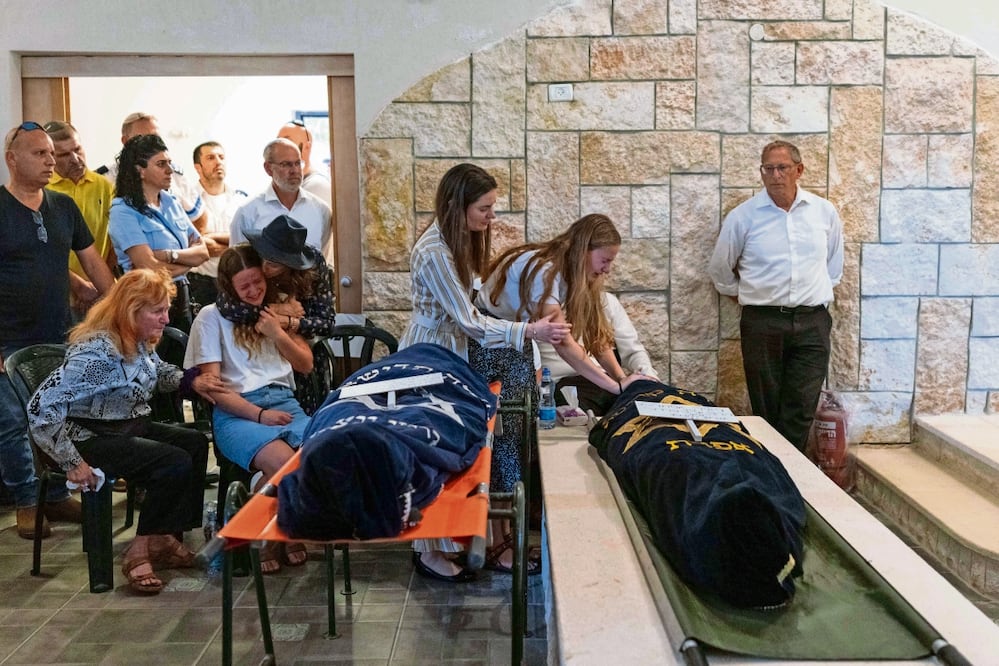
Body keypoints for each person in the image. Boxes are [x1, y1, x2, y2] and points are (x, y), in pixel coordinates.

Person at [399, 162, 570, 582]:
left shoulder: (456, 242)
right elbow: (469, 321)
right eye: (484, 208)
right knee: (433, 448)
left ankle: (463, 539)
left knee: (457, 448)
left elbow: (474, 307)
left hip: (453, 349)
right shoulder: (435, 252)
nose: (491, 217)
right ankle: (428, 551)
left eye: (492, 207)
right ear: (456, 205)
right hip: (433, 351)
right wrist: (529, 330)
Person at [26, 269, 225, 594]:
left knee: (194, 444)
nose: (166, 319)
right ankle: (140, 550)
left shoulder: (137, 339)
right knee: (171, 461)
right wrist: (71, 462)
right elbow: (41, 407)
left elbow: (156, 371)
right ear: (132, 310)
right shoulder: (97, 354)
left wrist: (192, 381)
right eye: (157, 311)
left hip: (126, 426)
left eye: (166, 310)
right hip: (86, 439)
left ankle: (163, 538)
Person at [475, 213, 651, 573]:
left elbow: (598, 338)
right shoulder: (546, 272)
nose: (607, 269)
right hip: (490, 345)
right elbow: (565, 344)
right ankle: (497, 544)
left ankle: (509, 540)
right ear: (585, 250)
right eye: (605, 260)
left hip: (516, 345)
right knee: (505, 440)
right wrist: (614, 386)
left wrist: (623, 381)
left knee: (516, 441)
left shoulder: (577, 276)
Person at [1, 121, 115, 540]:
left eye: (52, 152)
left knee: (59, 417)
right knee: (13, 423)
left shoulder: (63, 207)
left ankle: (55, 495)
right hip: (8, 338)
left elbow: (93, 263)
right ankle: (27, 502)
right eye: (40, 153)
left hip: (59, 332)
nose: (51, 160)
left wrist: (121, 311)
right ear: (12, 160)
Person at [707, 139, 844, 452]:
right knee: (766, 407)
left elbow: (833, 269)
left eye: (782, 168)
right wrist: (748, 295)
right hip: (763, 322)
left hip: (812, 321)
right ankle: (777, 467)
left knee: (802, 406)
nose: (775, 175)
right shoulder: (744, 216)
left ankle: (788, 469)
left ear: (799, 170)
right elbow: (720, 270)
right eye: (768, 169)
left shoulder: (823, 212)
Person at [185, 244, 313, 573]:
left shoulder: (277, 310)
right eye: (245, 286)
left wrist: (277, 332)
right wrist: (259, 415)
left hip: (284, 402)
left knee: (318, 458)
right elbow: (214, 390)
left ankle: (260, 521)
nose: (254, 291)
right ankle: (274, 535)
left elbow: (305, 365)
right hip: (237, 411)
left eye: (258, 281)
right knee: (286, 466)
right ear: (229, 286)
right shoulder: (211, 317)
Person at [109, 134, 209, 332]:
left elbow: (203, 252)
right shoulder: (123, 211)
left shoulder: (171, 202)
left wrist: (168, 255)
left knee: (183, 350)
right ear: (140, 170)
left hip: (182, 297)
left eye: (169, 163)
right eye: (161, 164)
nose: (169, 170)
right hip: (148, 302)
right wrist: (188, 264)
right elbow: (148, 268)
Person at [215, 215, 335, 340]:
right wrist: (276, 309)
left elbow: (327, 323)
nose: (264, 268)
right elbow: (225, 304)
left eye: (273, 265)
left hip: (301, 341)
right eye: (262, 258)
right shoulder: (251, 251)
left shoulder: (314, 262)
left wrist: (288, 322)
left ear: (291, 265)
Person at [538, 291, 659, 415]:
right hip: (562, 385)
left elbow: (631, 350)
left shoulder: (605, 301)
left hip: (607, 381)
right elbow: (566, 347)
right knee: (578, 417)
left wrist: (648, 377)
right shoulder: (542, 303)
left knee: (650, 411)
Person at [43, 120, 116, 318]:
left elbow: (113, 239)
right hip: (57, 295)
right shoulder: (42, 190)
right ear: (50, 157)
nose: (75, 159)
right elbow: (41, 251)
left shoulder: (103, 185)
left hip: (99, 292)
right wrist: (77, 285)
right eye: (64, 155)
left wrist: (100, 283)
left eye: (77, 149)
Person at [100, 112, 208, 232]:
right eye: (142, 138)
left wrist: (189, 241)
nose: (151, 144)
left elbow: (199, 217)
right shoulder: (105, 180)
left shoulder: (173, 174)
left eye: (155, 138)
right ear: (125, 141)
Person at [229, 138, 332, 260]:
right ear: (268, 168)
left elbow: (320, 259)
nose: (294, 170)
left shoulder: (321, 211)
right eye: (286, 164)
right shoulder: (247, 213)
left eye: (298, 163)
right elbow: (238, 262)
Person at [189, 140, 246, 308]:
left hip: (236, 283)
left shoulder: (241, 199)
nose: (218, 162)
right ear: (198, 167)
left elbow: (247, 241)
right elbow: (193, 243)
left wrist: (210, 237)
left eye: (221, 157)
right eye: (211, 158)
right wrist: (232, 243)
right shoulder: (187, 201)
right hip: (200, 284)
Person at [277, 120, 332, 207]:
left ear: (307, 147)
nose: (279, 149)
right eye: (278, 143)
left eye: (287, 142)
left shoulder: (316, 186)